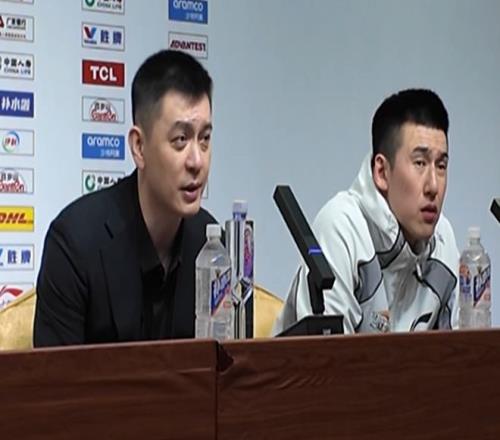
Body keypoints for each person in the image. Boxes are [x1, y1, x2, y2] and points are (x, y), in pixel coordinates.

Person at [34, 50, 216, 346]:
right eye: (180, 140)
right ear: (139, 147)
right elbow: (55, 375)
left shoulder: (212, 247)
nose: (197, 161)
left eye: (204, 138)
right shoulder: (74, 244)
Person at [274, 88, 459, 334]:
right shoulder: (341, 227)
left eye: (441, 166)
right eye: (420, 163)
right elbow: (328, 355)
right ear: (381, 172)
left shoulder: (443, 240)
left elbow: (464, 351)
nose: (433, 186)